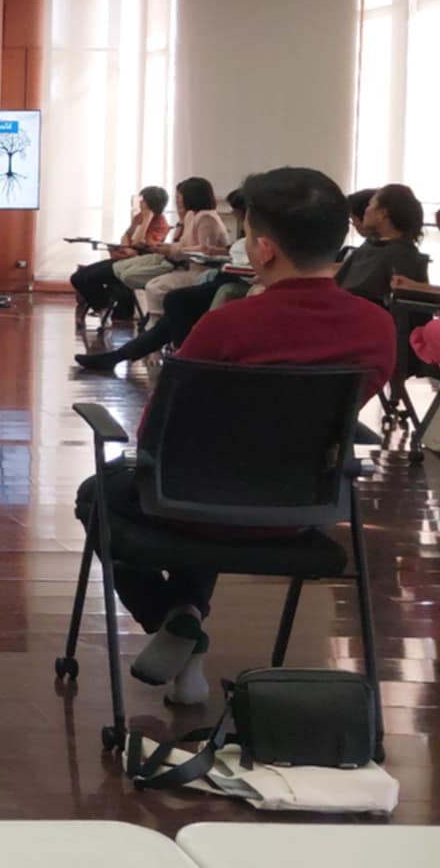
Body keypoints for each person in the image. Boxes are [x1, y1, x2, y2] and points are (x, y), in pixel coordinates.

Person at [84, 167, 397, 707]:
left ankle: (177, 620)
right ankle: (186, 621)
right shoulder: (376, 327)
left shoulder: (226, 325)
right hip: (302, 506)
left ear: (264, 249)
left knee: (98, 495)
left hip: (193, 501)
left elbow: (153, 433)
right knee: (219, 483)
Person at [77, 188, 250, 371]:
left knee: (169, 301)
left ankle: (177, 359)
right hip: (213, 272)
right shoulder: (194, 218)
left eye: (180, 197)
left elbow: (144, 243)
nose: (178, 202)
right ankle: (121, 356)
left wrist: (152, 228)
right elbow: (131, 238)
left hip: (217, 275)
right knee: (166, 317)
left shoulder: (205, 219)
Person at [70, 185, 168, 321]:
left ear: (151, 204)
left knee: (87, 278)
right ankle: (102, 306)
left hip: (135, 265)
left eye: (144, 200)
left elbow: (139, 243)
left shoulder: (160, 223)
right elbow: (127, 235)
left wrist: (147, 220)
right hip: (123, 258)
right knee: (78, 277)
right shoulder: (139, 217)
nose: (140, 202)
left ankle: (103, 306)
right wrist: (126, 247)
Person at [336, 183, 427, 303]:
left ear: (383, 213)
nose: (366, 210)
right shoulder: (369, 247)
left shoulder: (402, 257)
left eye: (370, 205)